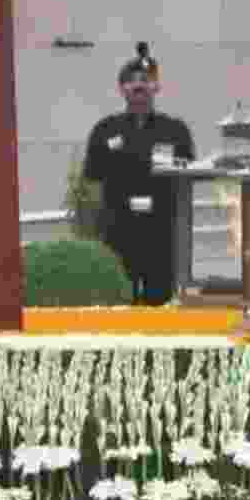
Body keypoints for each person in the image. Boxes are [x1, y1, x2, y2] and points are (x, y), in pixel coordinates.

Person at [81, 42, 196, 306]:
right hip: (118, 231)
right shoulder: (105, 130)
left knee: (161, 301)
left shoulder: (174, 130)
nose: (138, 87)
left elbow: (187, 177)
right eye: (131, 83)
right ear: (121, 89)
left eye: (145, 81)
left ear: (156, 88)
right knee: (120, 302)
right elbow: (92, 181)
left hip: (161, 233)